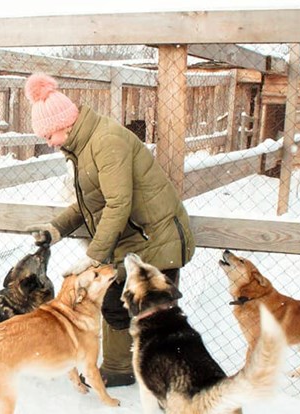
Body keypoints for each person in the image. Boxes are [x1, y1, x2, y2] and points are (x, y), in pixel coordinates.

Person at [24, 72, 196, 387]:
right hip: (131, 241)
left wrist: (94, 257)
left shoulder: (106, 142)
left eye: (49, 135)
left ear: (64, 124)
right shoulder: (82, 148)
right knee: (118, 308)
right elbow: (87, 205)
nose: (48, 144)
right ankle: (121, 370)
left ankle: (181, 381)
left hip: (155, 239)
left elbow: (118, 204)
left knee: (159, 319)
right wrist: (54, 230)